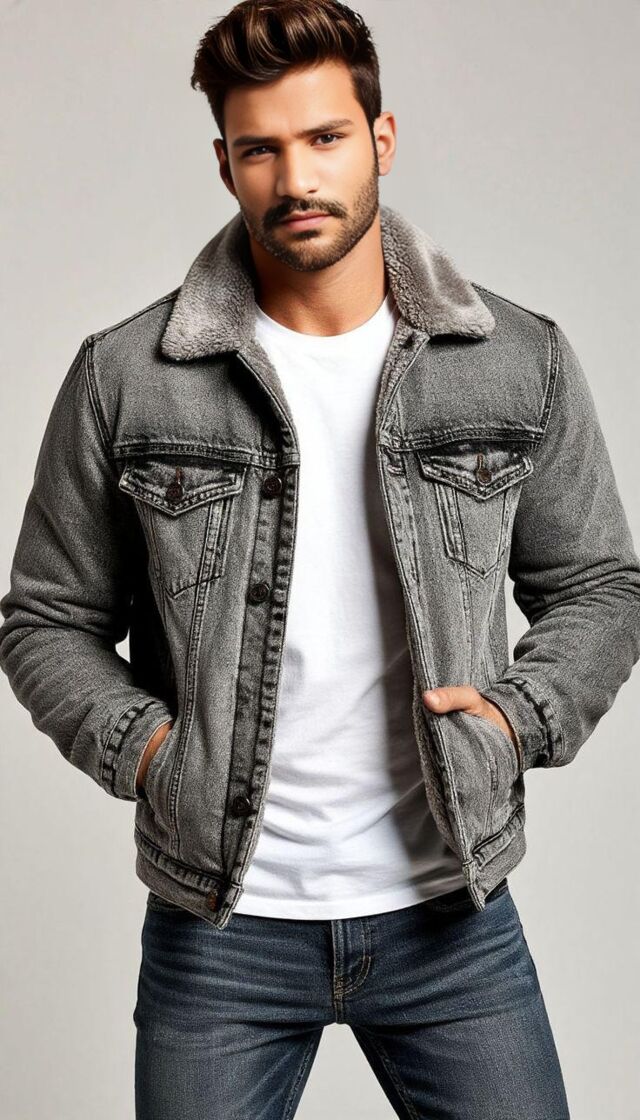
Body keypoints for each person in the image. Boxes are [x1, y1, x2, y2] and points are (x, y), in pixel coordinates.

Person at [2, 1, 639, 1116]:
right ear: (225, 164)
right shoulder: (128, 376)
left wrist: (513, 720)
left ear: (380, 140)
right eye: (261, 149)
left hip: (452, 916)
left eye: (326, 138)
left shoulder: (514, 360)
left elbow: (599, 587)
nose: (296, 178)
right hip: (221, 930)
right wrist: (155, 754)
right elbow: (45, 619)